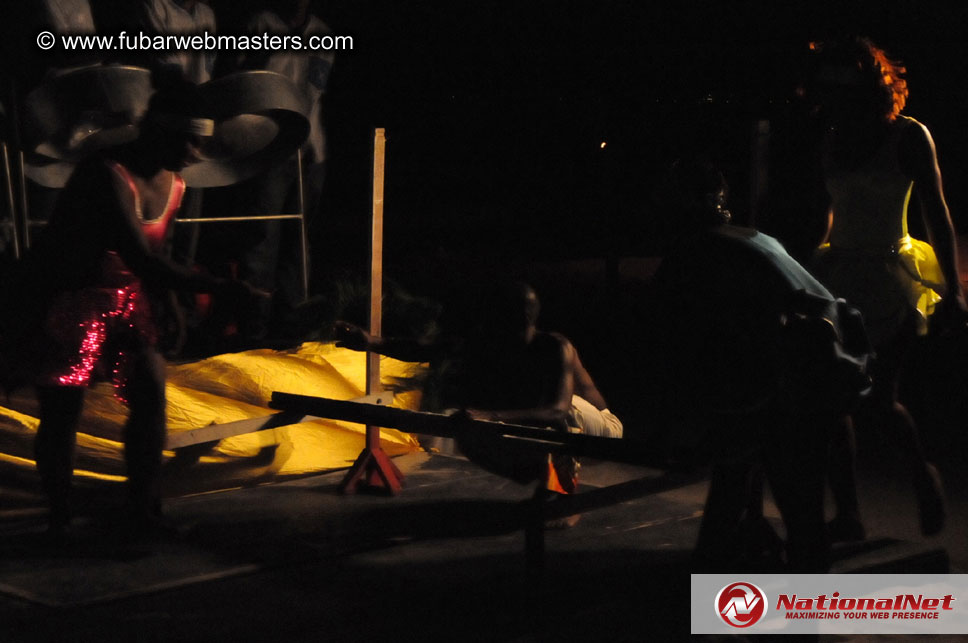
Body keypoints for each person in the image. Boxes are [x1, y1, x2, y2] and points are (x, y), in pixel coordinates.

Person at [0, 70, 264, 539]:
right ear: (161, 132)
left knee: (150, 393)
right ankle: (60, 517)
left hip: (128, 297)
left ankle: (142, 509)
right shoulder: (106, 173)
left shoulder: (176, 182)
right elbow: (141, 257)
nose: (196, 154)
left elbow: (158, 257)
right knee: (64, 411)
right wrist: (218, 288)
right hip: (70, 299)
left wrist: (174, 307)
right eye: (189, 142)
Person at [647, 157, 871, 571]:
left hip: (789, 387)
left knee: (764, 501)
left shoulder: (693, 252)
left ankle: (741, 613)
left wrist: (673, 427)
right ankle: (793, 620)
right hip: (816, 372)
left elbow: (682, 347)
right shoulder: (752, 237)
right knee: (782, 507)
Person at [807, 38, 963, 539]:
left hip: (892, 278)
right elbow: (829, 209)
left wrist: (953, 289)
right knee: (831, 400)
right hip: (839, 276)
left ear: (872, 86)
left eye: (845, 82)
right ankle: (849, 515)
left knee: (878, 399)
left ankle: (922, 474)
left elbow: (937, 211)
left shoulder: (909, 136)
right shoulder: (831, 135)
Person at [335, 282, 623, 495]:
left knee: (558, 414)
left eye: (498, 314)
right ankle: (539, 475)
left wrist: (490, 415)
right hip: (545, 421)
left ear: (522, 317)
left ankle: (565, 491)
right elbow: (427, 349)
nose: (488, 321)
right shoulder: (490, 340)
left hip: (601, 429)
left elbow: (557, 408)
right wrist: (371, 342)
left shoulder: (554, 347)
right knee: (467, 429)